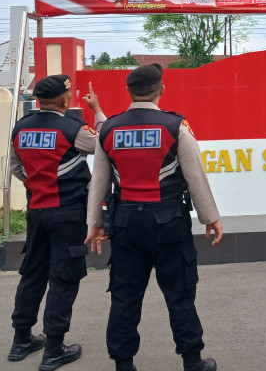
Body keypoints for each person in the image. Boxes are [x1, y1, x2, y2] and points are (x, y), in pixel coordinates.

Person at [85, 63, 223, 371]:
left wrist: (95, 224)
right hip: (168, 223)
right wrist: (210, 218)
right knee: (180, 292)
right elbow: (195, 177)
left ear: (128, 92)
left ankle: (123, 364)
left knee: (124, 295)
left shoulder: (109, 129)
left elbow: (99, 183)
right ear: (161, 90)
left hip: (125, 225)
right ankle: (192, 361)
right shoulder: (176, 128)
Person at [8, 75, 106, 370]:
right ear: (65, 101)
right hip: (67, 214)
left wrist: (39, 186)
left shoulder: (20, 128)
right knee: (63, 279)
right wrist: (97, 111)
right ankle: (54, 349)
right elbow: (107, 144)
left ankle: (21, 340)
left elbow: (15, 167)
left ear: (38, 100)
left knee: (33, 274)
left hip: (36, 212)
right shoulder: (73, 129)